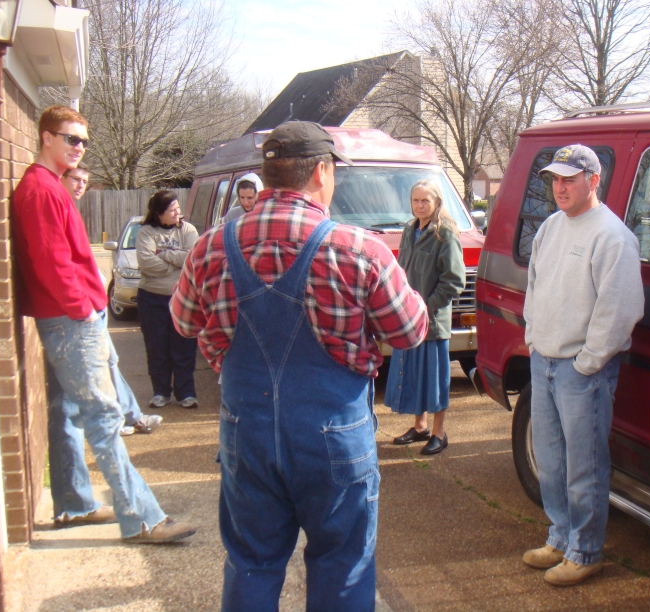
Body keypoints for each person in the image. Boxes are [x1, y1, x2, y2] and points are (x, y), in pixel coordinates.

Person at [171, 120, 428, 611]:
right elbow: (411, 330)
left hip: (246, 431)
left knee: (252, 561)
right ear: (321, 172)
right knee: (343, 564)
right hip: (334, 436)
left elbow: (183, 323)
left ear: (268, 176)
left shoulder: (209, 247)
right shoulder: (360, 249)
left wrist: (219, 338)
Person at [10, 105, 195, 541]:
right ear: (46, 138)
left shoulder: (48, 185)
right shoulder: (40, 190)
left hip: (67, 317)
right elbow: (53, 262)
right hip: (69, 320)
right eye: (71, 138)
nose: (80, 147)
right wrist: (83, 310)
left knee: (66, 411)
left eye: (84, 141)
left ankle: (74, 505)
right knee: (105, 415)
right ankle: (143, 519)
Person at [522, 144, 644, 586]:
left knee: (584, 466)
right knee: (551, 461)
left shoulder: (613, 236)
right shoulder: (550, 227)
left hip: (581, 371)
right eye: (555, 179)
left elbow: (620, 309)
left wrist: (588, 362)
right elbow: (534, 286)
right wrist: (533, 338)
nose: (560, 187)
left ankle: (586, 551)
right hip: (544, 362)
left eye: (569, 180)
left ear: (593, 181)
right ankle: (560, 537)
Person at [60, 164, 162, 436]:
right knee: (97, 366)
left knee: (109, 361)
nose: (81, 185)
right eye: (75, 179)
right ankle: (120, 420)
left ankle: (130, 417)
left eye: (85, 181)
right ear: (62, 178)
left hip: (92, 303)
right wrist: (83, 305)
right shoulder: (59, 209)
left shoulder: (71, 209)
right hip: (80, 308)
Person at [386, 180, 465, 455]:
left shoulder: (446, 234)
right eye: (416, 200)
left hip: (432, 321)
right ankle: (420, 426)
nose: (420, 206)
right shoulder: (409, 230)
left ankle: (439, 433)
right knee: (413, 375)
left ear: (437, 202)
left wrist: (425, 307)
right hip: (409, 320)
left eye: (425, 201)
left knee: (435, 380)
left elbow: (454, 280)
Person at [136, 190, 199, 408]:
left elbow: (192, 257)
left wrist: (162, 254)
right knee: (157, 347)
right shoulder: (146, 232)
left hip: (182, 297)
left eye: (178, 208)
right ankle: (161, 392)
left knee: (184, 347)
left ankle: (186, 393)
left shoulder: (188, 230)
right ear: (159, 213)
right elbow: (146, 263)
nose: (177, 213)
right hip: (151, 298)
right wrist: (175, 264)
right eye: (172, 210)